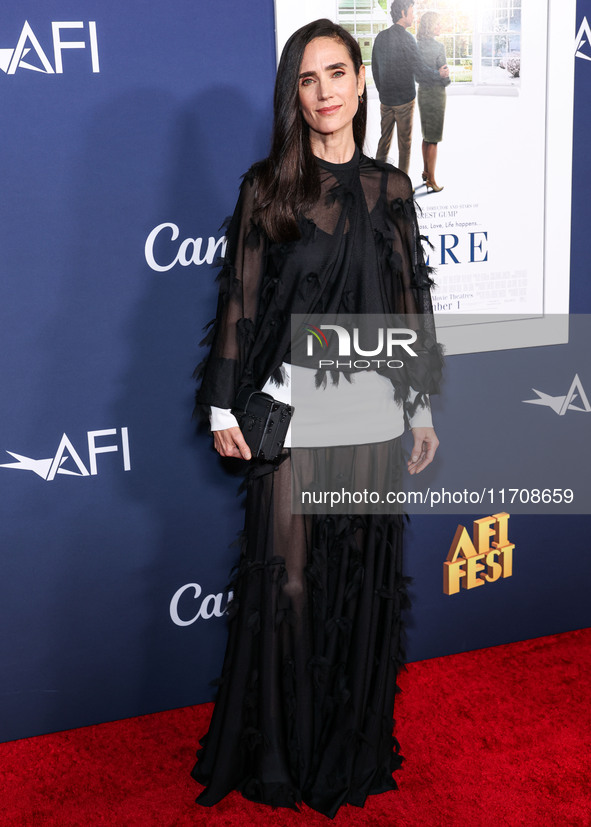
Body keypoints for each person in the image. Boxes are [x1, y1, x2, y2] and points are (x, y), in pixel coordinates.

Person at [191, 18, 442, 818]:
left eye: (336, 73)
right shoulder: (267, 188)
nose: (325, 91)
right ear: (292, 96)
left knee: (359, 582)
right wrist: (223, 400)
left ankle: (349, 743)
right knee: (291, 582)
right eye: (307, 79)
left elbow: (411, 305)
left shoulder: (391, 190)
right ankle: (280, 753)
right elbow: (239, 299)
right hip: (294, 412)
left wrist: (422, 404)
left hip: (368, 412)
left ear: (362, 81)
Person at [372, 0, 449, 175]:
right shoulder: (408, 39)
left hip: (386, 100)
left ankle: (375, 179)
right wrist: (440, 74)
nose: (414, 16)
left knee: (384, 139)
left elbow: (375, 68)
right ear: (403, 13)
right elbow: (420, 70)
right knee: (404, 144)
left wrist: (382, 91)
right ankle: (402, 184)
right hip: (404, 101)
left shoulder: (381, 36)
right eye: (412, 12)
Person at [417, 12, 450, 192]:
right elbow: (443, 71)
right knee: (434, 139)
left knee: (426, 136)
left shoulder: (416, 46)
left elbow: (418, 73)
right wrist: (444, 77)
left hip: (423, 92)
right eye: (437, 24)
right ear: (430, 26)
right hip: (436, 95)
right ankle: (432, 180)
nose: (440, 27)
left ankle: (425, 172)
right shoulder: (439, 47)